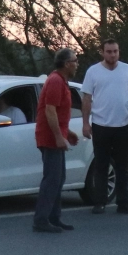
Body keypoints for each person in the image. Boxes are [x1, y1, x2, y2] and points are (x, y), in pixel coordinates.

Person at [80, 39, 128, 215]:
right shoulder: (93, 71)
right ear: (102, 52)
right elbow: (86, 99)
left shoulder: (127, 70)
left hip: (123, 124)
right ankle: (100, 201)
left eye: (115, 51)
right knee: (101, 165)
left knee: (123, 166)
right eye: (109, 51)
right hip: (101, 125)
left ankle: (124, 202)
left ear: (119, 51)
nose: (112, 55)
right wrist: (86, 123)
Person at [33, 48, 81, 234]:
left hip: (56, 134)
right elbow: (50, 110)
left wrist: (67, 132)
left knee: (59, 178)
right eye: (75, 61)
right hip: (49, 137)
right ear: (67, 63)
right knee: (52, 178)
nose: (77, 64)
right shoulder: (54, 81)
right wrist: (59, 136)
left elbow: (59, 113)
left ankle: (54, 217)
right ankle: (41, 219)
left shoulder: (61, 82)